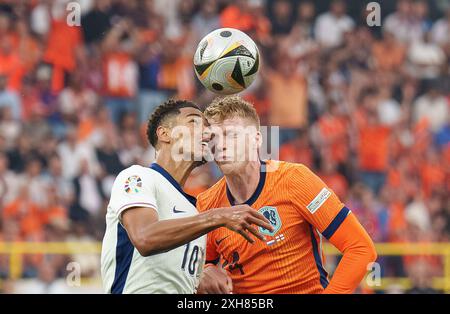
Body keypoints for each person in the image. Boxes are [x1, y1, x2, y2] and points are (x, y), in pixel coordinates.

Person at [196, 96, 377, 294]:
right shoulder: (207, 203)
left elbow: (361, 248)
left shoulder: (295, 179)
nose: (221, 145)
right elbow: (200, 265)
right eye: (213, 138)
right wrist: (205, 271)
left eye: (231, 135)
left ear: (257, 138)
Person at [100, 99, 272, 294]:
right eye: (194, 122)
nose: (207, 133)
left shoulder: (193, 210)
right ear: (164, 134)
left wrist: (204, 280)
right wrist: (219, 216)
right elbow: (144, 237)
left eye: (207, 128)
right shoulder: (138, 177)